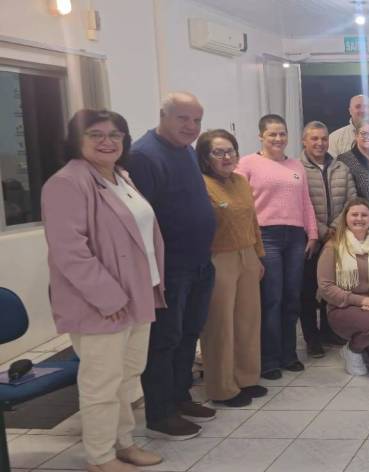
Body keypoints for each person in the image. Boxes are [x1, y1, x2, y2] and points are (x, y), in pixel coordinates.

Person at [43, 110, 166, 471]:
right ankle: (100, 457)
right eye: (95, 134)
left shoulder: (120, 177)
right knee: (101, 382)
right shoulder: (66, 183)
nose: (107, 142)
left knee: (127, 376)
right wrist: (108, 297)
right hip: (101, 303)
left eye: (115, 134)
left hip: (138, 293)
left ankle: (123, 443)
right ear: (76, 140)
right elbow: (69, 251)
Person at [126, 92, 217, 439]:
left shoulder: (187, 151)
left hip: (199, 262)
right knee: (164, 340)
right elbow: (141, 220)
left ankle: (180, 397)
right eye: (183, 118)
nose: (191, 126)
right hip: (171, 269)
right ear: (163, 115)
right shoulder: (144, 156)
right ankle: (160, 413)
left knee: (188, 334)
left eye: (197, 120)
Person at [236, 114, 319, 380]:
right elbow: (241, 205)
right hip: (265, 236)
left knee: (292, 297)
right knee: (272, 299)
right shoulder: (247, 164)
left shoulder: (296, 166)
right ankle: (269, 359)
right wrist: (249, 239)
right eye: (272, 134)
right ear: (261, 136)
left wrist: (312, 233)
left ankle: (289, 354)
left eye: (282, 133)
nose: (278, 138)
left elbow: (305, 202)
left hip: (295, 237)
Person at [195, 129, 268, 408]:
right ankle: (222, 387)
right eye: (218, 152)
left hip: (247, 254)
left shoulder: (240, 181)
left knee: (248, 321)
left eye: (230, 151)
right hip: (218, 258)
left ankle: (246, 378)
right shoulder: (201, 184)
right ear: (205, 157)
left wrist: (258, 256)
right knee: (220, 325)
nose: (226, 157)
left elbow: (253, 221)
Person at [317, 198, 369, 376]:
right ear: (346, 218)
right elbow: (325, 286)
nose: (359, 219)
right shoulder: (333, 247)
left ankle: (367, 343)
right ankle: (353, 350)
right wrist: (361, 300)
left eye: (364, 215)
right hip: (343, 308)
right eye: (354, 214)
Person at [299, 121, 357, 358]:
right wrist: (321, 230)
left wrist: (335, 228)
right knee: (308, 290)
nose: (320, 143)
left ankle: (328, 331)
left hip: (337, 238)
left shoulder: (341, 167)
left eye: (323, 138)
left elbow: (351, 201)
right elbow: (299, 206)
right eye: (314, 138)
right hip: (310, 239)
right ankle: (312, 339)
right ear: (304, 141)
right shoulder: (297, 169)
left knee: (332, 287)